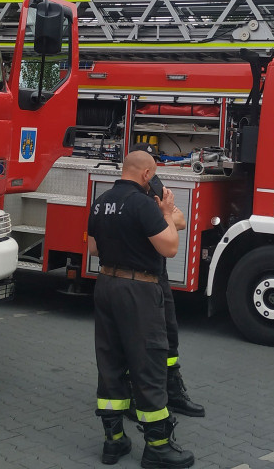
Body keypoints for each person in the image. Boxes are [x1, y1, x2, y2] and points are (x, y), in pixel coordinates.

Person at [88, 149, 195, 468]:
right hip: (139, 290)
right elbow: (171, 248)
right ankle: (158, 446)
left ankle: (114, 441)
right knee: (148, 363)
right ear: (147, 174)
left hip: (105, 285)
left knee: (110, 361)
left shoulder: (101, 201)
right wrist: (167, 212)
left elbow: (93, 247)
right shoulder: (143, 204)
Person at [128, 144, 206, 420]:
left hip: (158, 276)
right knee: (140, 340)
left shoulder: (155, 193)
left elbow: (181, 220)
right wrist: (164, 217)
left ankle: (172, 390)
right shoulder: (133, 198)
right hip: (139, 278)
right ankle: (135, 395)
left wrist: (164, 216)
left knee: (169, 333)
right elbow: (170, 223)